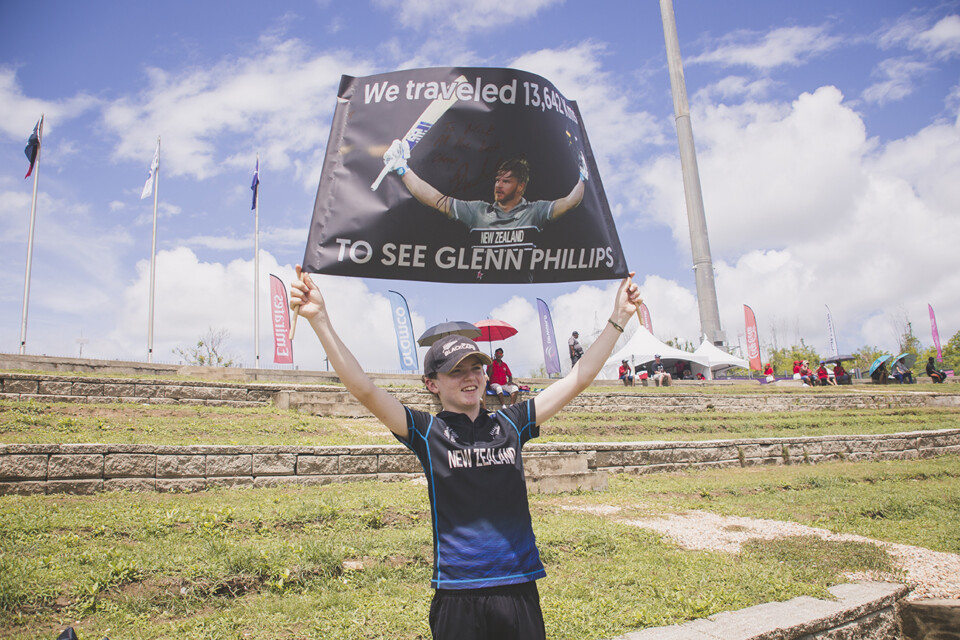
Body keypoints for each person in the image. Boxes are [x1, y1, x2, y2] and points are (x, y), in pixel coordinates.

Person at [290, 265, 641, 640]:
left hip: (517, 586)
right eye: (457, 371)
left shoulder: (512, 423)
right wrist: (320, 319)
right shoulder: (428, 433)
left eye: (476, 367)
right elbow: (364, 390)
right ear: (431, 384)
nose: (470, 376)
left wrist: (618, 318)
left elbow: (579, 377)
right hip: (457, 594)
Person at [382, 143, 588, 231]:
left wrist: (582, 177)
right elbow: (435, 200)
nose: (498, 185)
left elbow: (570, 202)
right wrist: (403, 170)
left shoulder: (535, 211)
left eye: (506, 181)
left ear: (521, 187)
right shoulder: (477, 211)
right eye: (498, 180)